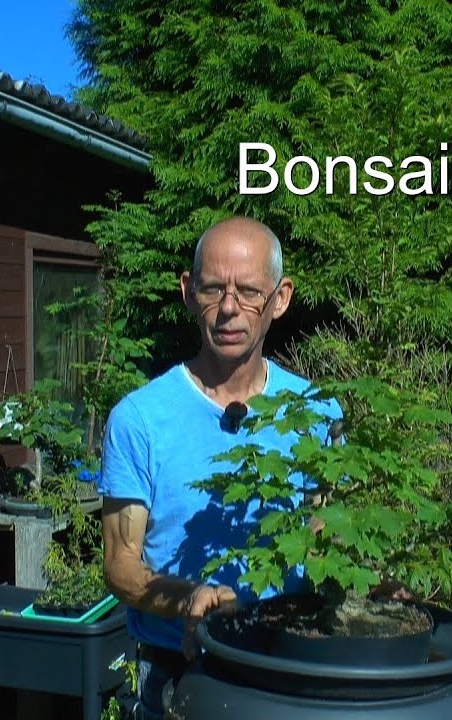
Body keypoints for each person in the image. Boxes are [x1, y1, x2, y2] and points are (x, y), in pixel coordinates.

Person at [97, 216, 340, 720]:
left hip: (293, 671)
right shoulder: (140, 420)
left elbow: (326, 540)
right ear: (188, 293)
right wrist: (189, 599)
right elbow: (121, 566)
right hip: (179, 679)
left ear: (281, 298)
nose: (229, 308)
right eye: (213, 289)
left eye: (249, 291)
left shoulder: (318, 415)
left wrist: (381, 585)